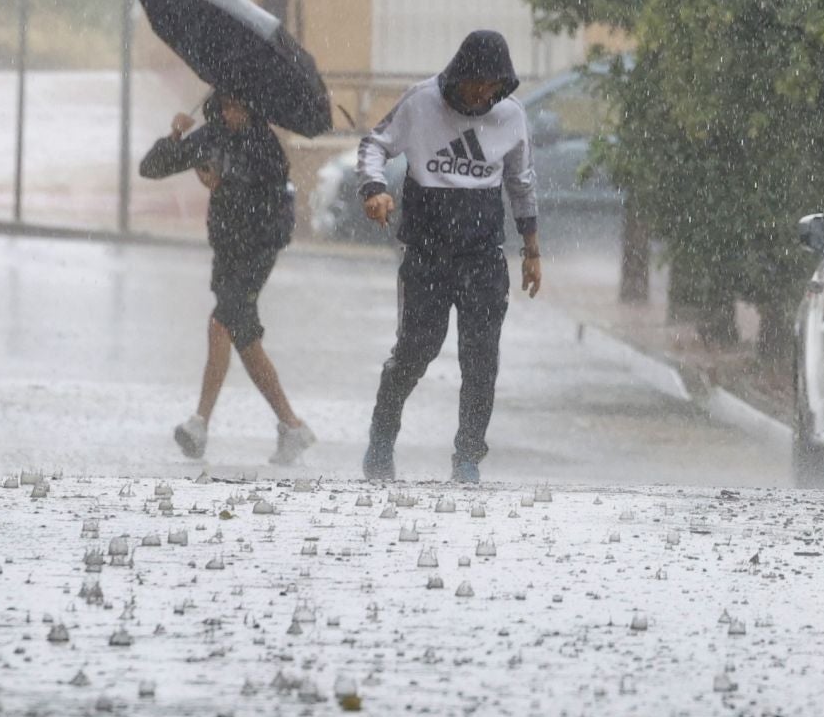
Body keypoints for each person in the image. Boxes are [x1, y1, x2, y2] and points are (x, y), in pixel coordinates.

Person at [357, 30, 541, 485]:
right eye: (474, 83)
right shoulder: (421, 103)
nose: (482, 94)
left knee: (481, 359)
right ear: (458, 75)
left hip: (482, 255)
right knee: (416, 351)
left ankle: (467, 457)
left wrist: (532, 248)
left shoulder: (511, 116)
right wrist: (374, 189)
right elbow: (373, 145)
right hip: (427, 253)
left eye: (492, 86)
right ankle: (381, 441)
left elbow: (521, 182)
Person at [140, 90, 317, 465]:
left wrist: (223, 182)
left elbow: (268, 197)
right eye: (225, 105)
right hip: (226, 247)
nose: (231, 112)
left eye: (238, 105)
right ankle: (291, 426)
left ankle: (199, 423)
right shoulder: (210, 135)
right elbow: (151, 168)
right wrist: (174, 137)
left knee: (222, 323)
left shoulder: (264, 143)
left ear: (251, 106)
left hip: (257, 249)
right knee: (243, 336)